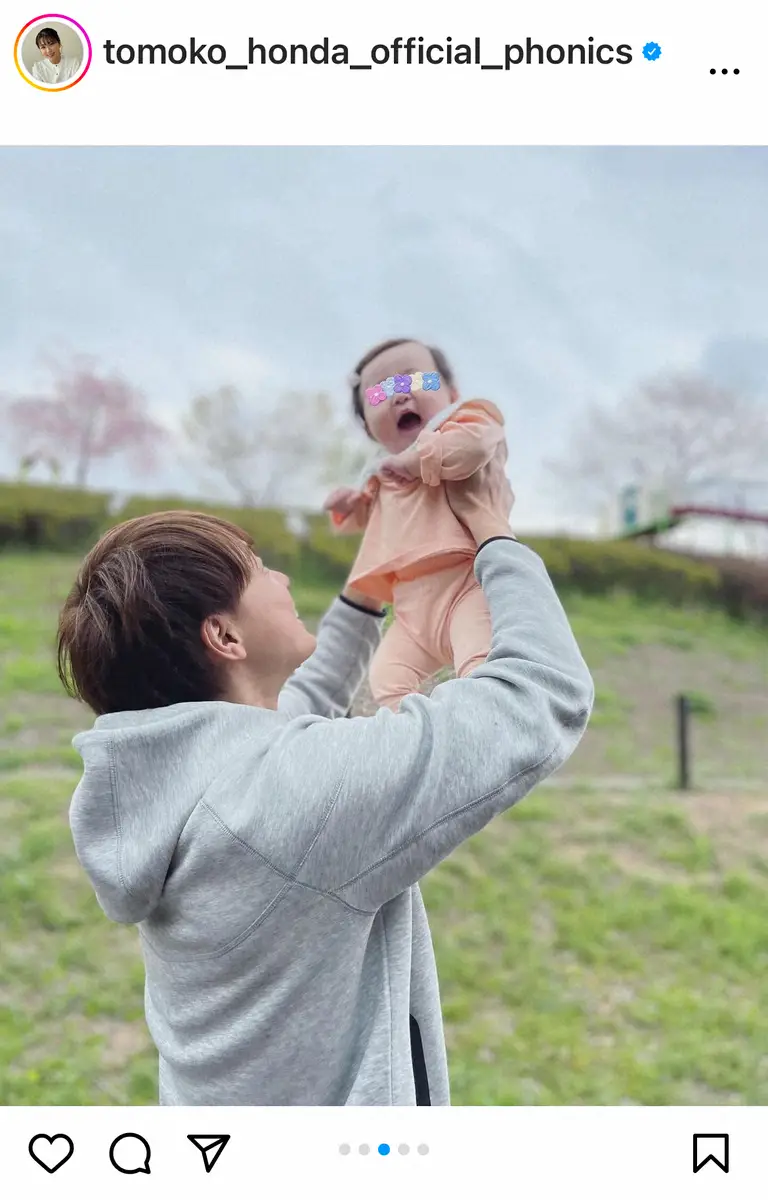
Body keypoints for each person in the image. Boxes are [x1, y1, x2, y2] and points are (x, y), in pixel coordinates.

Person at [59, 459, 593, 1106]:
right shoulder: (291, 800)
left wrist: (372, 580)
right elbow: (539, 694)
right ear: (224, 635)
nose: (279, 576)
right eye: (256, 568)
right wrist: (494, 529)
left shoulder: (186, 782)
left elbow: (298, 707)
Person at [324, 338, 505, 710]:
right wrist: (348, 505)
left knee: (481, 668)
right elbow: (371, 518)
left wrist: (417, 460)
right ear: (368, 430)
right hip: (409, 608)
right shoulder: (380, 473)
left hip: (466, 586)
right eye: (380, 394)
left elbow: (475, 447)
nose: (400, 396)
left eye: (414, 382)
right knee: (386, 679)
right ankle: (416, 749)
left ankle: (480, 730)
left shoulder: (461, 423)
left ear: (451, 392)